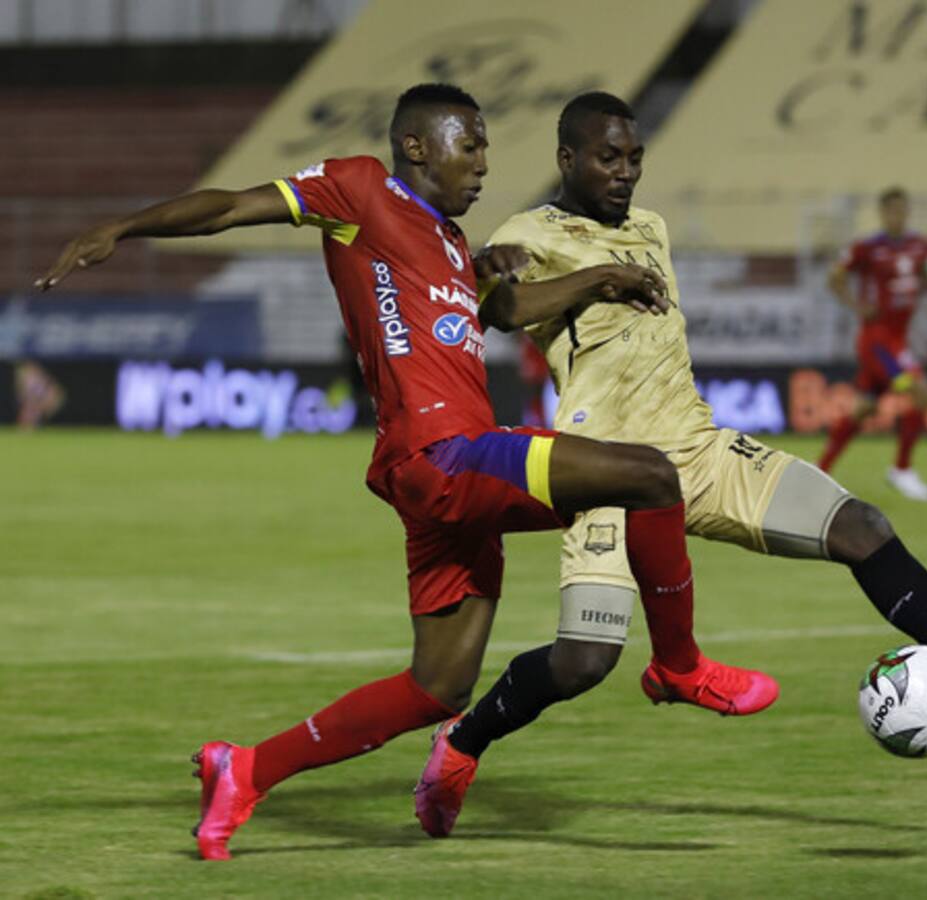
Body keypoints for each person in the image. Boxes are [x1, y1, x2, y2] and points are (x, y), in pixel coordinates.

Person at [35, 83, 777, 861]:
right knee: (650, 476)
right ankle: (679, 666)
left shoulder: (453, 244)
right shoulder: (359, 190)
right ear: (419, 146)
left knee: (439, 687)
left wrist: (587, 279)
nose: (485, 165)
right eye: (472, 145)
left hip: (441, 482)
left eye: (486, 148)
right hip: (446, 454)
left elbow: (506, 309)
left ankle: (246, 769)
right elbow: (227, 208)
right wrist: (121, 227)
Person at [413, 91, 927, 838]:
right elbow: (489, 304)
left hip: (699, 451)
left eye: (635, 157)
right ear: (567, 159)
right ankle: (461, 745)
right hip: (605, 470)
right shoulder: (531, 230)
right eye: (608, 157)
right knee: (583, 661)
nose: (625, 171)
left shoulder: (650, 226)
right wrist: (518, 270)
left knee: (861, 526)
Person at [817, 187, 927, 501]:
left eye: (903, 210)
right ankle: (902, 469)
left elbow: (922, 270)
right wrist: (856, 306)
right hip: (877, 341)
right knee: (920, 391)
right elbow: (835, 277)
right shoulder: (868, 248)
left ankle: (820, 470)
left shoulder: (918, 245)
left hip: (898, 338)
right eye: (892, 210)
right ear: (883, 213)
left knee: (864, 408)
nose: (898, 215)